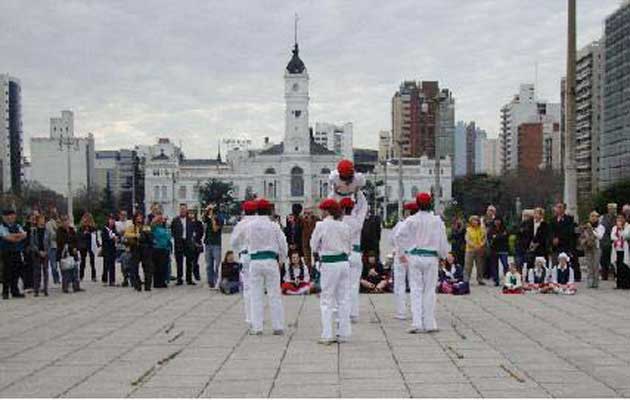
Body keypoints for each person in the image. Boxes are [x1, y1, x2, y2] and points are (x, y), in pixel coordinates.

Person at [394, 192, 449, 334]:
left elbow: (399, 236)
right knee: (429, 290)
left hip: (415, 257)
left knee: (416, 289)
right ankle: (429, 322)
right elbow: (443, 241)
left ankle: (417, 322)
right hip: (431, 258)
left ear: (417, 205)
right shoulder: (437, 221)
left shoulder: (411, 220)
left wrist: (402, 252)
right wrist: (443, 255)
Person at [310, 198, 352, 344]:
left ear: (326, 211)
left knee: (327, 299)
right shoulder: (344, 226)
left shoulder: (321, 225)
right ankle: (344, 333)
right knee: (343, 298)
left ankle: (327, 334)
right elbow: (350, 246)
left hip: (329, 263)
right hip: (344, 262)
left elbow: (313, 245)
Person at [246, 198, 287, 336]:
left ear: (257, 210)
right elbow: (283, 244)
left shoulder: (250, 225)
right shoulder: (274, 225)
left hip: (255, 260)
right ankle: (278, 326)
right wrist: (282, 258)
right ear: (269, 210)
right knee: (274, 293)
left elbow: (246, 242)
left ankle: (257, 327)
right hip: (270, 260)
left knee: (256, 294)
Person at [340, 190, 368, 322]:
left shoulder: (338, 223)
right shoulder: (357, 221)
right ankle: (353, 314)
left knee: (341, 286)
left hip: (342, 256)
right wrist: (357, 190)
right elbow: (364, 207)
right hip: (356, 254)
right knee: (354, 285)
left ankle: (342, 312)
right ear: (353, 208)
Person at [230, 200, 258, 326]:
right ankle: (258, 316)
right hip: (259, 256)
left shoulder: (241, 224)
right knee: (258, 287)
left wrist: (239, 250)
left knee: (247, 288)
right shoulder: (260, 223)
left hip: (246, 255)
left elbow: (234, 242)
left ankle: (250, 317)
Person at [391, 201, 419, 320]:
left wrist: (400, 251)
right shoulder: (419, 224)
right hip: (414, 255)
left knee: (399, 284)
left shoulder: (401, 224)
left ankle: (401, 312)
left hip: (401, 255)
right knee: (415, 284)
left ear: (407, 212)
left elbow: (393, 239)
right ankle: (416, 311)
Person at [1, 210, 27, 299]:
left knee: (16, 272)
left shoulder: (17, 225)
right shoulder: (1, 226)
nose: (11, 218)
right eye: (9, 216)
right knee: (7, 272)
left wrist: (14, 236)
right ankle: (5, 292)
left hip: (17, 251)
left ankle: (15, 291)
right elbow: (7, 237)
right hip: (6, 252)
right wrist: (17, 236)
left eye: (13, 216)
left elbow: (24, 235)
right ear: (4, 217)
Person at [550, 202, 579, 281]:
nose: (558, 209)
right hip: (555, 246)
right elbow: (550, 231)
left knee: (565, 262)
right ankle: (555, 278)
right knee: (555, 262)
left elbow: (569, 231)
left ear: (564, 209)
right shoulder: (552, 220)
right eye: (557, 207)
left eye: (560, 207)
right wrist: (553, 238)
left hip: (565, 244)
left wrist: (559, 238)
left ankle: (566, 278)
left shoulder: (569, 219)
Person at [57, 214, 82, 293]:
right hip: (64, 253)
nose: (66, 223)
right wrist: (70, 246)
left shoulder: (72, 230)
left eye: (67, 221)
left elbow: (76, 240)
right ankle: (65, 287)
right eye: (64, 221)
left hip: (73, 253)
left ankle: (76, 286)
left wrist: (76, 247)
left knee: (75, 270)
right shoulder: (59, 230)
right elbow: (61, 241)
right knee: (65, 271)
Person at [580, 211, 605, 288]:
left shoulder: (600, 227)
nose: (593, 218)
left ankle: (595, 281)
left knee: (596, 265)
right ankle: (589, 281)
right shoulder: (586, 225)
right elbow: (582, 235)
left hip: (596, 247)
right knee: (589, 265)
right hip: (588, 247)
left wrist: (592, 230)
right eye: (592, 216)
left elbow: (600, 236)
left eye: (595, 216)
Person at [172, 204, 195, 286]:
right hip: (179, 242)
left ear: (186, 210)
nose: (182, 210)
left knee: (189, 262)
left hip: (188, 242)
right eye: (181, 209)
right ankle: (179, 279)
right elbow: (172, 231)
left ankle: (189, 279)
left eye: (184, 209)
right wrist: (176, 238)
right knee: (179, 261)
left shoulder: (190, 220)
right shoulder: (175, 220)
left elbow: (193, 230)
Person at [29, 215, 50, 297]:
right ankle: (36, 290)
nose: (43, 221)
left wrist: (46, 251)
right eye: (41, 219)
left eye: (43, 219)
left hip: (45, 253)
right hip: (37, 253)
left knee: (46, 271)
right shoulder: (34, 231)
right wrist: (39, 251)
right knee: (37, 272)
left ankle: (45, 289)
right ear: (37, 221)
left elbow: (50, 242)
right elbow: (32, 243)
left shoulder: (47, 231)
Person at [203, 204, 222, 288]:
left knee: (217, 264)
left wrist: (213, 218)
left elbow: (215, 229)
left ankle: (217, 281)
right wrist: (206, 210)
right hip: (208, 243)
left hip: (216, 244)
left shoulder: (220, 218)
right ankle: (210, 282)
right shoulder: (208, 217)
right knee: (208, 265)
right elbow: (203, 219)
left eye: (212, 210)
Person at [464, 215, 486, 285]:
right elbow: (467, 239)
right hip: (470, 249)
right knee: (468, 265)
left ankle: (480, 279)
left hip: (479, 249)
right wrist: (473, 245)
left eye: (476, 220)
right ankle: (466, 279)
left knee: (480, 265)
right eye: (473, 220)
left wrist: (481, 244)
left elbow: (484, 238)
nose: (475, 222)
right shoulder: (468, 229)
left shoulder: (481, 229)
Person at [151, 213, 172, 288]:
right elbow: (152, 224)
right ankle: (157, 282)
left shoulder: (165, 228)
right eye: (161, 220)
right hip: (157, 249)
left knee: (164, 266)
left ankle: (163, 281)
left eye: (162, 220)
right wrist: (157, 218)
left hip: (165, 249)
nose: (162, 221)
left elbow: (169, 237)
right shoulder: (155, 227)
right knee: (157, 267)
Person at [487, 216, 509, 287]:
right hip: (494, 250)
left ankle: (507, 279)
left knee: (505, 265)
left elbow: (506, 236)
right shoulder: (491, 229)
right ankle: (496, 280)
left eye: (498, 220)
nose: (497, 222)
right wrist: (500, 236)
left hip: (503, 250)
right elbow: (490, 237)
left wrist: (496, 237)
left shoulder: (504, 228)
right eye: (496, 220)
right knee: (494, 266)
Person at [77, 212, 98, 281]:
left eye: (88, 219)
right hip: (83, 245)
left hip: (91, 244)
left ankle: (93, 276)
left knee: (92, 261)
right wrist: (84, 233)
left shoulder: (93, 227)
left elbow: (95, 235)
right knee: (83, 261)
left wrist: (96, 243)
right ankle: (81, 276)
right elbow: (79, 236)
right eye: (85, 219)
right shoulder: (80, 227)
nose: (87, 221)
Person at [610, 215, 630, 290]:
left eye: (621, 218)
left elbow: (626, 236)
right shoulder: (614, 228)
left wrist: (621, 229)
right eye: (618, 219)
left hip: (625, 249)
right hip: (616, 249)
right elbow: (612, 236)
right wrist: (618, 238)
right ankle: (619, 283)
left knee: (625, 265)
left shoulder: (628, 226)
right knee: (618, 267)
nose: (619, 220)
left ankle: (626, 284)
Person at [599, 203, 618, 281]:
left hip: (614, 240)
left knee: (613, 258)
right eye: (610, 208)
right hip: (605, 240)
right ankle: (604, 274)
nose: (612, 210)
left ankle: (615, 274)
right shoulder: (603, 217)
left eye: (613, 208)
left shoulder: (617, 218)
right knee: (604, 258)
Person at [101, 215, 118, 286]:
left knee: (112, 265)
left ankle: (112, 280)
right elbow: (104, 239)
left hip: (113, 249)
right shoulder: (104, 229)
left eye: (113, 220)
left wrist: (116, 238)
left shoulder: (114, 229)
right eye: (111, 220)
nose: (112, 221)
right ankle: (105, 279)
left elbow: (117, 236)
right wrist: (112, 239)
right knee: (106, 265)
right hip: (106, 249)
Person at [188, 210, 204, 282]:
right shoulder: (187, 222)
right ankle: (189, 276)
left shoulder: (199, 223)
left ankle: (196, 274)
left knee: (195, 261)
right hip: (188, 244)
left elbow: (201, 233)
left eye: (192, 213)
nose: (191, 215)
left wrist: (196, 238)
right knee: (189, 261)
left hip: (196, 244)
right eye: (190, 213)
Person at [45, 209, 60, 285]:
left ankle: (65, 278)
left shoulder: (60, 223)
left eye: (56, 213)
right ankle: (56, 279)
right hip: (52, 246)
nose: (55, 215)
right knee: (53, 265)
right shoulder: (48, 224)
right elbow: (49, 236)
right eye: (53, 213)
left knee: (62, 263)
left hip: (60, 246)